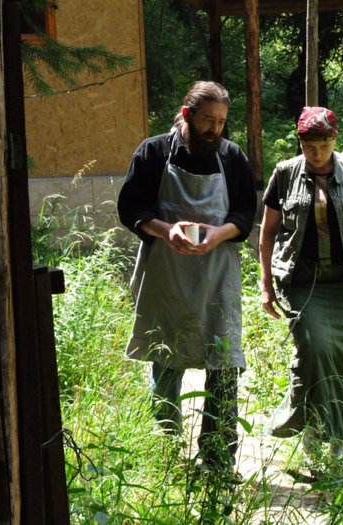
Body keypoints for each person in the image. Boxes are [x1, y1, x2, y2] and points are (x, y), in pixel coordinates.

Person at [117, 81, 257, 469]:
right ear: (187, 115)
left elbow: (246, 213)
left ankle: (216, 458)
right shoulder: (153, 152)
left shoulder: (232, 157)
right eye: (208, 120)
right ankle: (164, 450)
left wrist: (220, 234)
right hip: (167, 277)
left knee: (225, 361)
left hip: (217, 276)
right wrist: (167, 231)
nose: (215, 130)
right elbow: (130, 208)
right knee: (165, 359)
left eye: (221, 122)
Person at [259, 106, 343, 458]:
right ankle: (307, 428)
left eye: (322, 145)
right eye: (308, 145)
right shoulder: (285, 174)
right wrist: (265, 284)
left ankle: (335, 445)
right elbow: (268, 232)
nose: (315, 153)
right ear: (300, 141)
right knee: (315, 351)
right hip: (302, 283)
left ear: (334, 138)